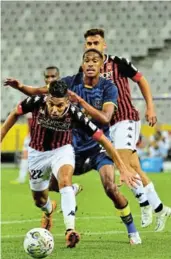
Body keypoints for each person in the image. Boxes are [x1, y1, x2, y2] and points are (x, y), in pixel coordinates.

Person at [4, 49, 142, 245]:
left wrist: (124, 168)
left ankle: (75, 230)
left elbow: (104, 131)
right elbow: (26, 102)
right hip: (48, 151)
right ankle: (50, 208)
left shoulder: (101, 92)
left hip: (81, 149)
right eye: (87, 60)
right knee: (41, 198)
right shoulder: (56, 91)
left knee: (107, 186)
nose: (54, 109)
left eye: (60, 106)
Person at [83, 28, 171, 231]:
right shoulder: (85, 71)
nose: (93, 47)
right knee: (135, 167)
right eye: (89, 44)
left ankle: (144, 204)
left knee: (122, 165)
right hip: (108, 126)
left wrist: (150, 107)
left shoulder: (117, 63)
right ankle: (159, 208)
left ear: (104, 45)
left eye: (96, 43)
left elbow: (141, 80)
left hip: (126, 119)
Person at [10, 66, 60, 185]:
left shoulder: (62, 97)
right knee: (26, 156)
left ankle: (55, 181)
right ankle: (22, 177)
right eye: (47, 77)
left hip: (51, 137)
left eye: (53, 76)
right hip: (32, 136)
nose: (50, 79)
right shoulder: (35, 100)